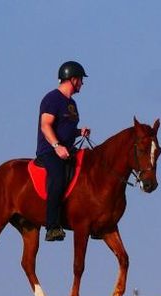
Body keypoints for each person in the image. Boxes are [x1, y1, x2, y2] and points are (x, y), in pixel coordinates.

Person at [36, 61, 91, 241]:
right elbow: (46, 125)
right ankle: (52, 226)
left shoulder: (72, 103)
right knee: (58, 179)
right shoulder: (52, 99)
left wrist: (79, 132)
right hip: (50, 151)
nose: (82, 83)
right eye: (81, 79)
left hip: (68, 149)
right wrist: (56, 146)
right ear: (73, 79)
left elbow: (65, 129)